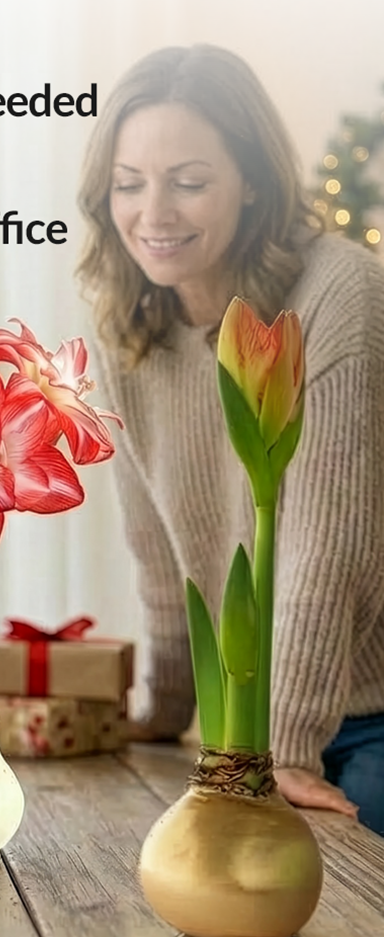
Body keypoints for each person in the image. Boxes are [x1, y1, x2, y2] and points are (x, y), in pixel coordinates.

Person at [77, 44, 384, 830]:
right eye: (128, 185)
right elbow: (159, 545)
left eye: (189, 183)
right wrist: (163, 708)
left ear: (252, 183)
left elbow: (328, 547)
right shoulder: (130, 328)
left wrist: (280, 753)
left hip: (362, 716)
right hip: (246, 726)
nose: (155, 214)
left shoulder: (339, 292)